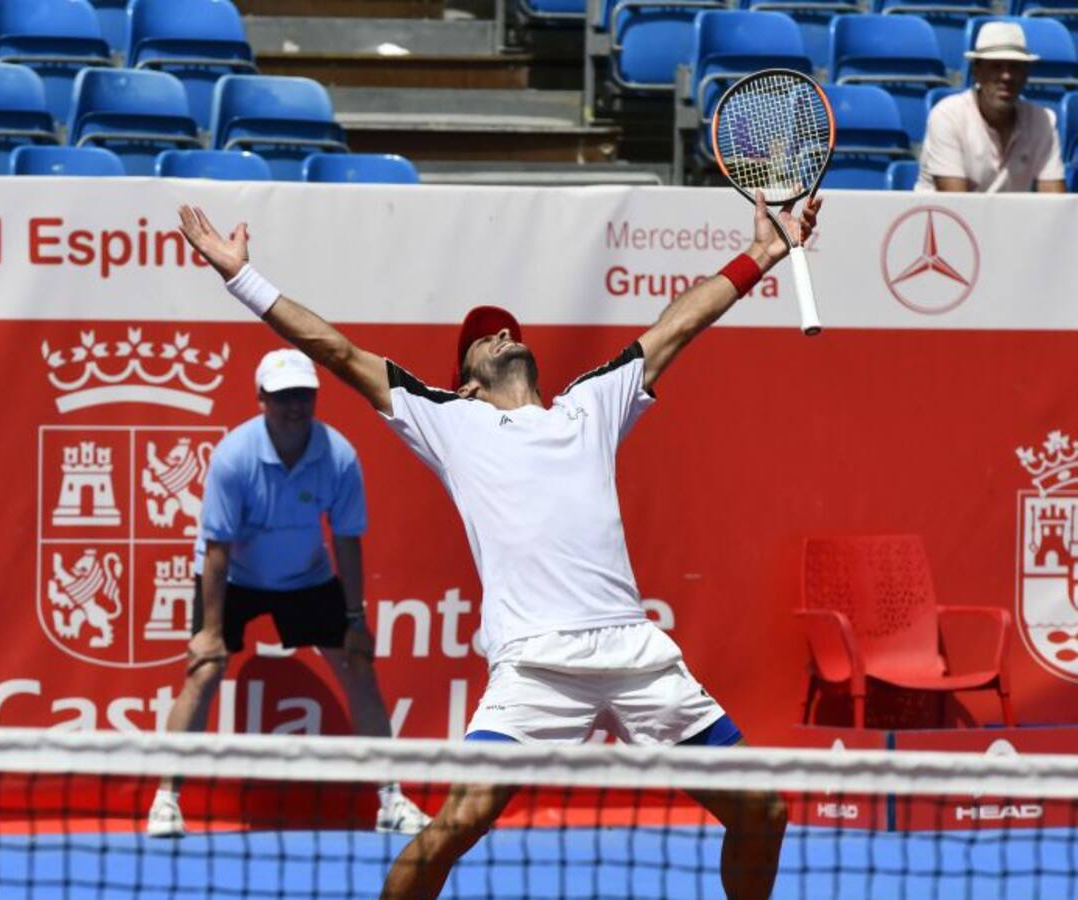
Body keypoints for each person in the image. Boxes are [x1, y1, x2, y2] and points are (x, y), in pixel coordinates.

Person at [175, 189, 821, 899]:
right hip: (536, 668)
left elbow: (676, 327)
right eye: (485, 338)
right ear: (467, 383)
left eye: (509, 330)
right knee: (457, 825)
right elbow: (334, 350)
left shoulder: (591, 405)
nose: (503, 335)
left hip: (635, 657)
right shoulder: (448, 420)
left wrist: (763, 252)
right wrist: (242, 277)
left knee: (763, 811)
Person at [146, 347, 430, 838]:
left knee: (359, 667)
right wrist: (211, 632)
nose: (295, 406)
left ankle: (390, 800)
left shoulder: (337, 456)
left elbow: (346, 540)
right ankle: (165, 801)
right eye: (283, 397)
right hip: (233, 575)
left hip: (306, 577)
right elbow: (216, 547)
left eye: (303, 394)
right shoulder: (235, 457)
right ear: (261, 399)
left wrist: (356, 621)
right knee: (205, 669)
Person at [917, 21, 1065, 193]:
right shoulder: (947, 116)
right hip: (941, 219)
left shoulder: (1043, 121)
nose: (1006, 76)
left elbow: (1055, 204)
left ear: (1026, 74)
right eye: (996, 66)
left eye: (1014, 67)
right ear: (976, 72)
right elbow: (955, 205)